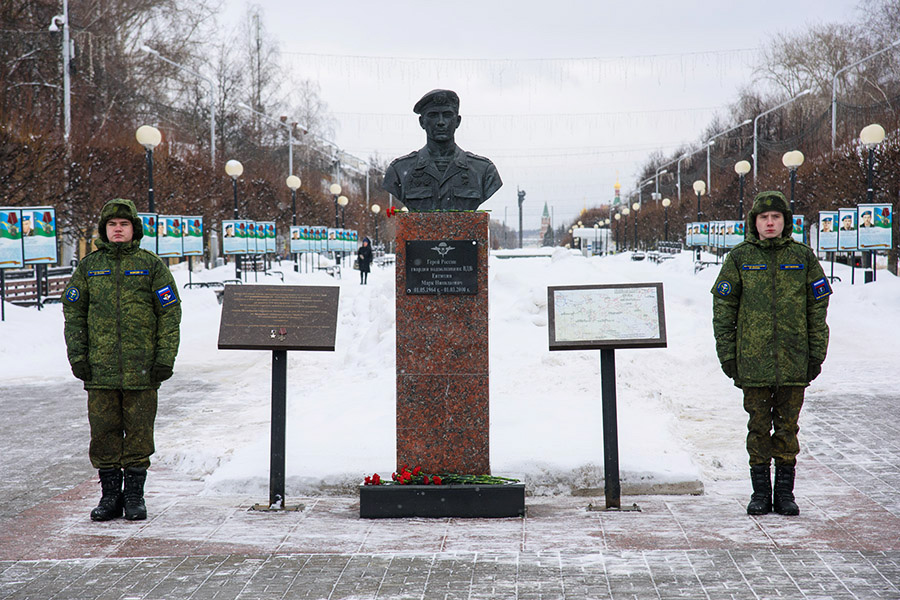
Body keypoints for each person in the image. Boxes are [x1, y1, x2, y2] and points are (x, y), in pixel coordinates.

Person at [711, 191, 830, 517]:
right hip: (753, 362)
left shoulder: (803, 258)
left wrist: (815, 355)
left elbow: (817, 311)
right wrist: (728, 355)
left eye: (775, 217)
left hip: (794, 360)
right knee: (759, 428)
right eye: (764, 218)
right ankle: (761, 493)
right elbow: (723, 310)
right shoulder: (739, 259)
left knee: (788, 428)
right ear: (755, 222)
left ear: (785, 221)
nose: (769, 223)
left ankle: (785, 493)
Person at [63, 198, 182, 522]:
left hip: (142, 370)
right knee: (103, 435)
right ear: (104, 229)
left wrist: (164, 358)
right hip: (100, 370)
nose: (118, 229)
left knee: (140, 435)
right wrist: (79, 356)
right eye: (112, 224)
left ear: (134, 229)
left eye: (124, 224)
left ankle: (134, 497)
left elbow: (169, 314)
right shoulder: (89, 267)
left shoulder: (151, 265)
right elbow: (74, 314)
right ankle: (110, 497)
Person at [382, 89, 502, 211]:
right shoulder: (399, 170)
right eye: (433, 115)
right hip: (420, 230)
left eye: (447, 115)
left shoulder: (484, 171)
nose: (440, 122)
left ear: (458, 121)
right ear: (422, 122)